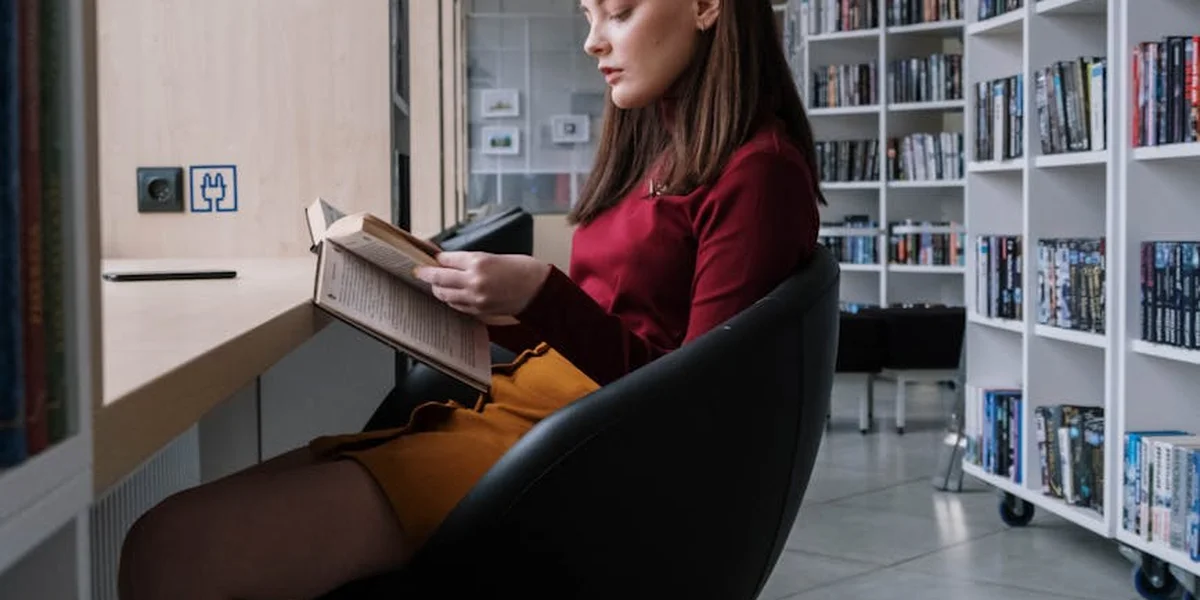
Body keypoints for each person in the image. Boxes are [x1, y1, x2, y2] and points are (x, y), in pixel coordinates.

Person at [116, 0, 826, 598]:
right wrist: (490, 307)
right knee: (169, 535)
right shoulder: (659, 151)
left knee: (168, 548)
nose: (592, 38)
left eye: (619, 10)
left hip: (565, 456)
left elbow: (694, 414)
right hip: (531, 417)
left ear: (707, 6)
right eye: (588, 13)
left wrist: (542, 297)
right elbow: (628, 334)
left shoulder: (758, 173)